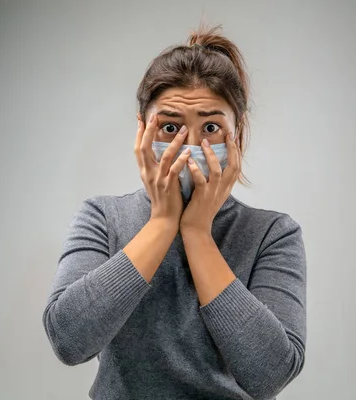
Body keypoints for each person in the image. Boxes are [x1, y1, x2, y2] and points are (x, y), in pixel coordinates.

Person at [42, 25, 306, 400]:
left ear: (238, 133)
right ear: (142, 132)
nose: (191, 146)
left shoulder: (272, 233)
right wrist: (163, 223)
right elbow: (68, 341)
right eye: (170, 127)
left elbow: (271, 374)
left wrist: (197, 232)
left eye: (211, 127)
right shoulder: (102, 217)